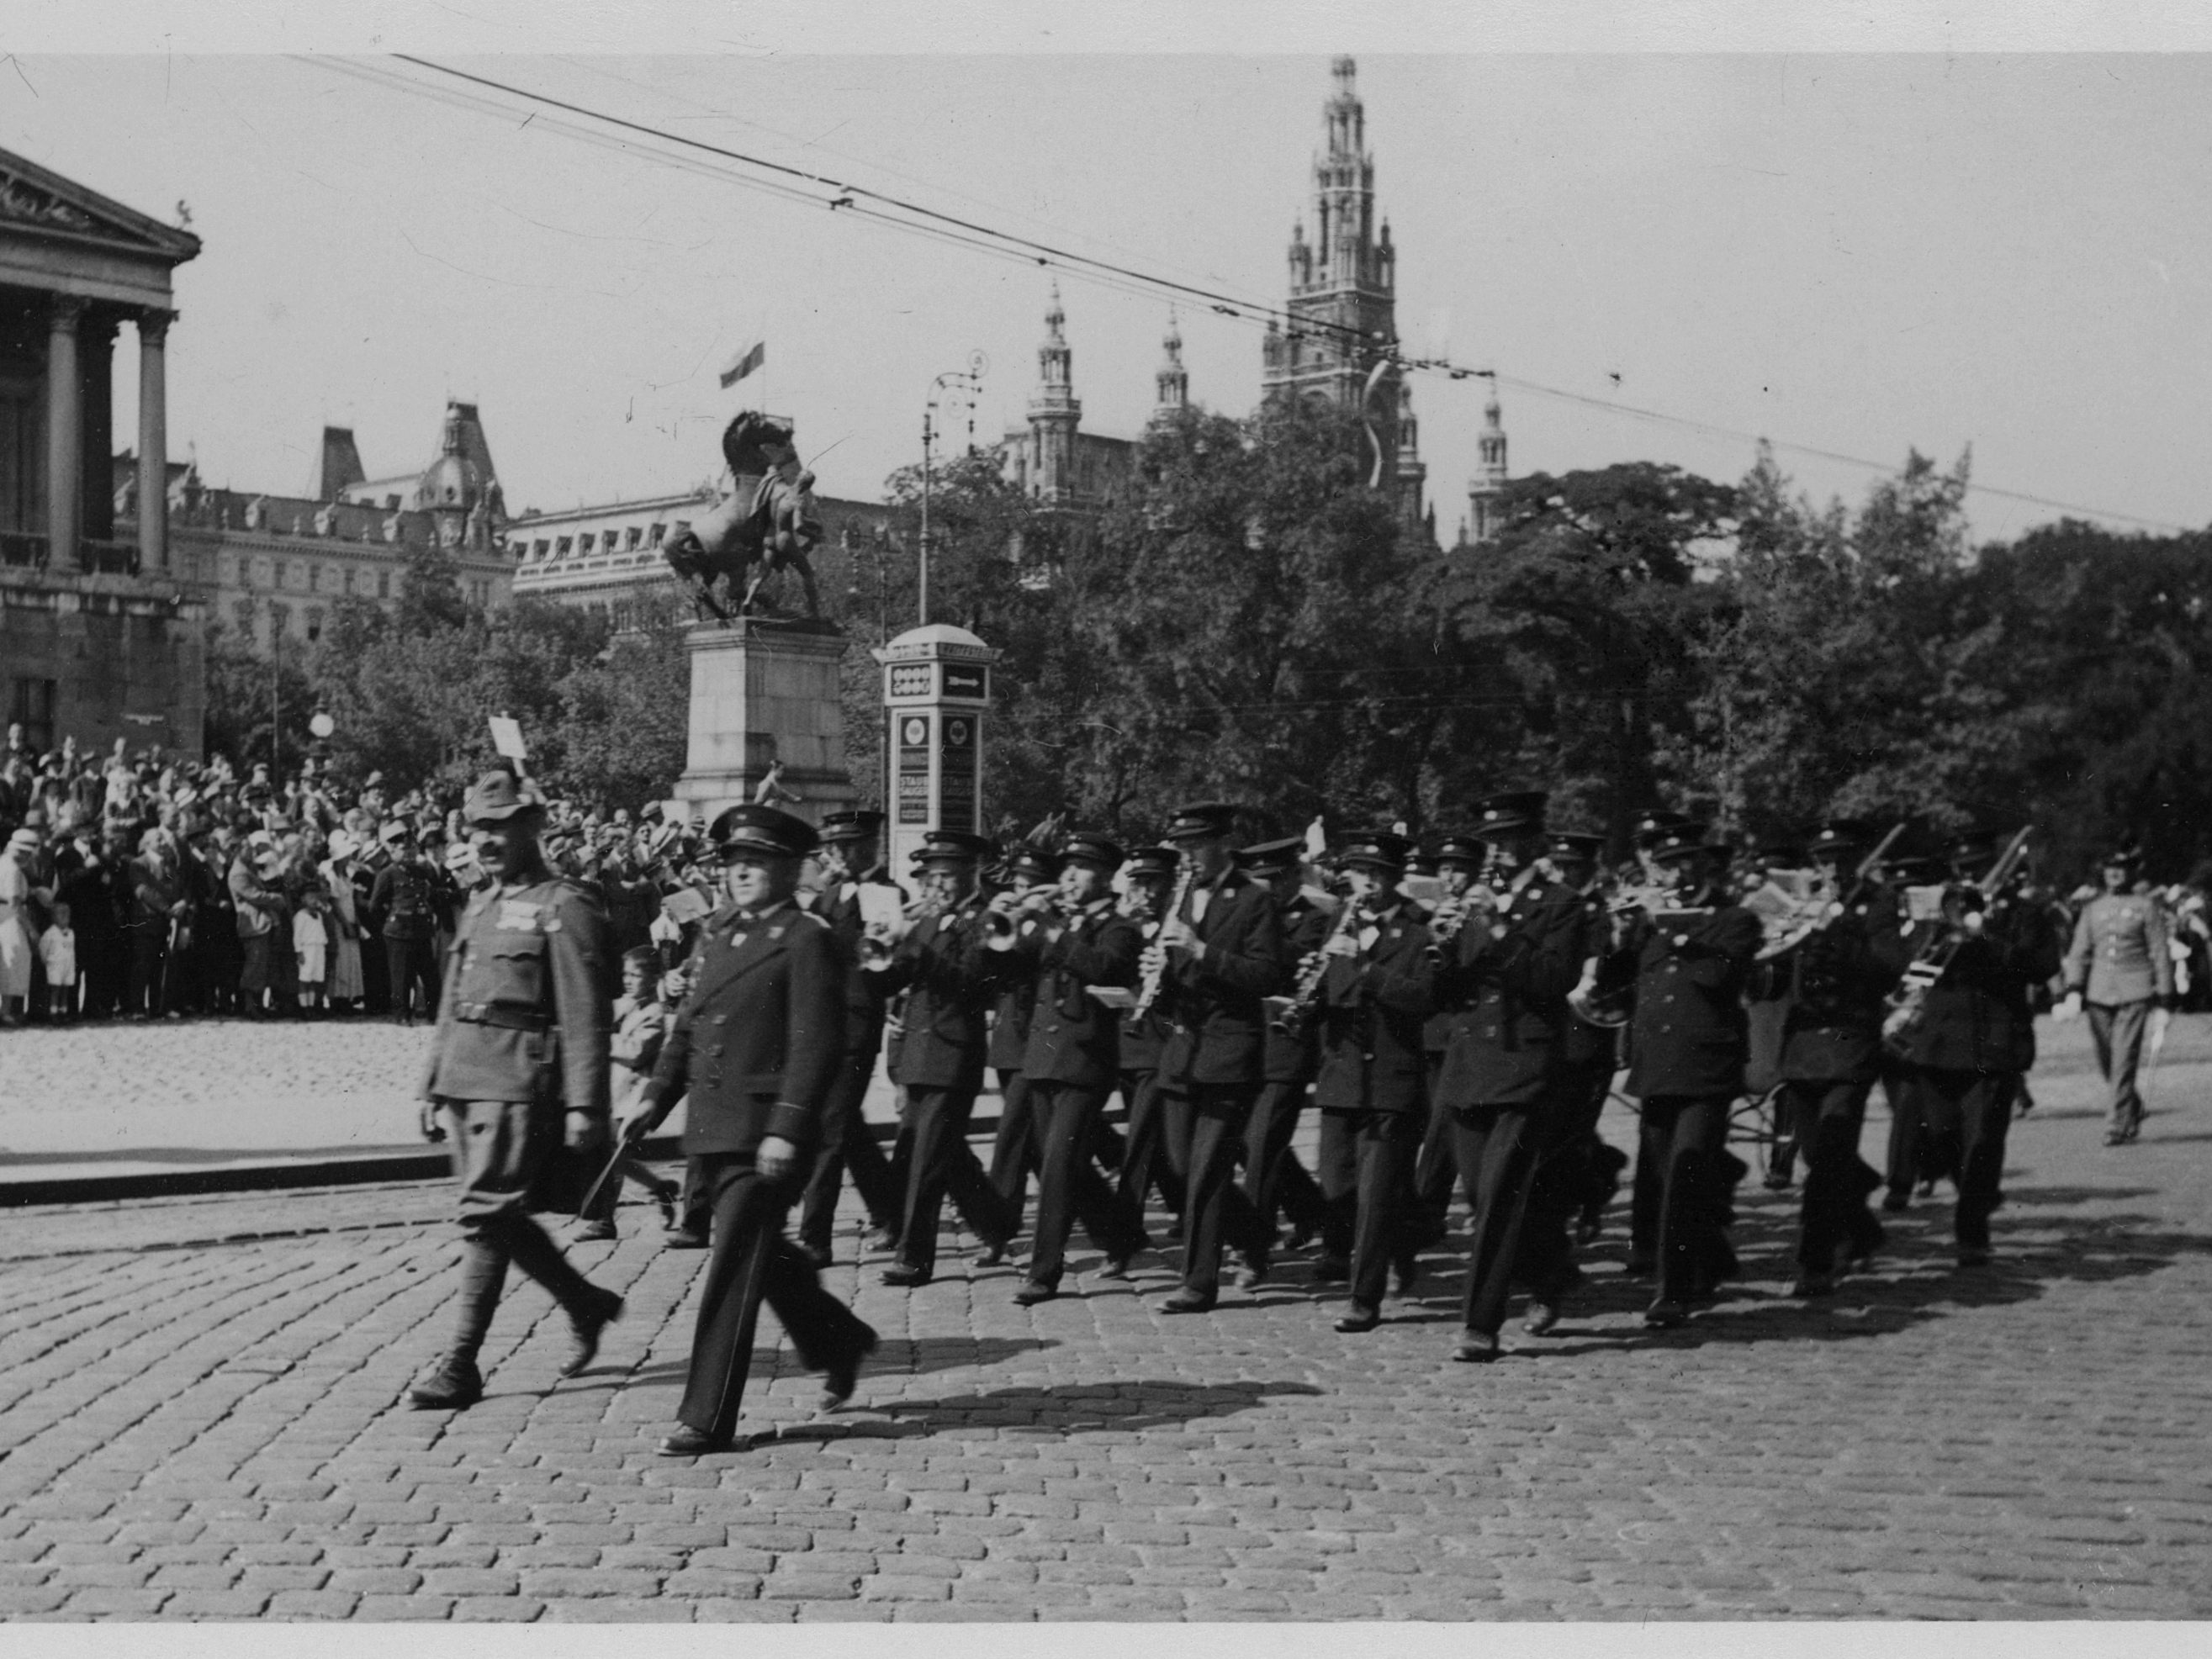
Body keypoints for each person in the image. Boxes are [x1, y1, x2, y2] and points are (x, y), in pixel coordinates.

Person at [619, 804, 878, 1456]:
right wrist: (653, 1096)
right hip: (712, 1124)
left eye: (756, 863)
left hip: (765, 1131)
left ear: (789, 869)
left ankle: (705, 1415)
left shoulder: (806, 936)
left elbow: (816, 1043)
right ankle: (838, 1338)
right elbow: (689, 1028)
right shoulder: (720, 932)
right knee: (765, 1258)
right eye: (734, 863)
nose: (741, 874)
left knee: (734, 1261)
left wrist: (788, 1129)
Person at [408, 770, 625, 1413]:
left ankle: (462, 1363)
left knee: (482, 1212)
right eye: (478, 827)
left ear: (533, 827)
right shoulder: (480, 902)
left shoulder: (566, 903)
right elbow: (452, 997)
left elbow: (586, 1010)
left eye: (501, 826)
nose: (488, 840)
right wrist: (430, 1079)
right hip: (467, 1078)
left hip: (518, 1078)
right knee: (498, 1214)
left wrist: (588, 1101)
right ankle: (587, 1303)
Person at [1426, 808, 1595, 1359]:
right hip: (1471, 1062)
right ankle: (1551, 1272)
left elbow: (1554, 978)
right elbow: (1449, 992)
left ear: (1535, 840)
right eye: (1493, 841)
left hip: (1524, 1061)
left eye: (1512, 839)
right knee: (1480, 1192)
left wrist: (1499, 930)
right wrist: (1444, 946)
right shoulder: (1476, 899)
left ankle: (1480, 1323)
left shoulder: (1562, 902)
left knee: (1498, 1198)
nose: (1500, 851)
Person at [1608, 825, 1763, 1328]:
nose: (1675, 874)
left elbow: (1717, 976)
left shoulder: (1734, 918)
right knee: (1660, 1174)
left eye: (1686, 863)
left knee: (1688, 1171)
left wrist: (1673, 929)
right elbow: (1617, 983)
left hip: (1707, 1066)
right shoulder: (1645, 923)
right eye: (1667, 865)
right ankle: (1710, 1258)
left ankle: (1672, 1289)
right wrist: (1619, 936)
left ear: (1703, 866)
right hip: (1656, 1063)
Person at [984, 831, 1149, 1303]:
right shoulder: (1056, 922)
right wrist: (1010, 917)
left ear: (1104, 876)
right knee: (1062, 1165)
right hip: (1039, 1059)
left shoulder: (1120, 927)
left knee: (1057, 1168)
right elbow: (1008, 970)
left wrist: (1053, 929)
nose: (1071, 877)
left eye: (1081, 869)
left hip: (1084, 1062)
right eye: (1068, 869)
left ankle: (1044, 1273)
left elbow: (1103, 968)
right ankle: (1122, 1236)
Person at [1888, 830, 2063, 1265]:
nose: (1971, 878)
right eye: (1963, 870)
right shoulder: (1936, 912)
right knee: (1938, 1134)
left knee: (1982, 1141)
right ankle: (1977, 1196)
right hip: (1938, 1042)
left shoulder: (2021, 913)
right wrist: (1935, 933)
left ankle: (1972, 1232)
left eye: (1979, 870)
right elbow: (1907, 961)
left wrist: (1988, 937)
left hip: (1993, 1043)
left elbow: (2043, 967)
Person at [1146, 801, 1291, 1315]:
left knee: (1207, 1169)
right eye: (1183, 846)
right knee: (1184, 1166)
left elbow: (1268, 976)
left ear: (1224, 843)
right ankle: (1254, 1234)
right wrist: (1159, 973)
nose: (1188, 856)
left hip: (1230, 1049)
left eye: (1197, 845)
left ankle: (1198, 1283)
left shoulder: (1254, 898)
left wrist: (1202, 951)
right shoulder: (1183, 894)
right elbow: (1179, 968)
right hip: (1185, 1049)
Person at [1755, 820, 1909, 1297]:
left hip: (1851, 1042)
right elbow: (1775, 977)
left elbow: (1889, 969)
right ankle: (1862, 1231)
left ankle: (1815, 1263)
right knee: (1813, 1151)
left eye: (1842, 857)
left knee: (1830, 1152)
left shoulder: (1877, 904)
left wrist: (1842, 935)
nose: (1833, 868)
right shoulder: (1797, 901)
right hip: (1802, 1045)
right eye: (1824, 860)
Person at [862, 829, 1018, 1286]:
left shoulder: (983, 920)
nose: (936, 887)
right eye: (932, 877)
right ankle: (998, 1223)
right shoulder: (929, 922)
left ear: (970, 874)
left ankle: (915, 1257)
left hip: (954, 1055)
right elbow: (897, 978)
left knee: (926, 1161)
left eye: (946, 877)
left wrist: (917, 946)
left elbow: (971, 982)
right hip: (917, 1053)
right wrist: (874, 960)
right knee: (945, 1156)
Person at [1308, 830, 1437, 1333]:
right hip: (1341, 1077)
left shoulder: (1419, 930)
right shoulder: (1338, 925)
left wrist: (1367, 970)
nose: (1369, 885)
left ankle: (1364, 1299)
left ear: (1395, 880)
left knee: (1376, 1194)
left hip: (1391, 1078)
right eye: (1361, 874)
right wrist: (1304, 1008)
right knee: (1339, 1185)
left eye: (1379, 875)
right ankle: (1407, 1239)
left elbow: (1422, 998)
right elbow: (1326, 992)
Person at [793, 810, 906, 1266]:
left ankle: (814, 1236)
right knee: (848, 1130)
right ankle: (890, 1211)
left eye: (846, 847)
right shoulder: (831, 895)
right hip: (824, 1023)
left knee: (831, 1131)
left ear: (869, 847)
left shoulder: (887, 894)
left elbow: (886, 965)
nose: (837, 856)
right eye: (834, 848)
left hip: (858, 1024)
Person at [1233, 837, 1333, 1289]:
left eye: (1274, 880)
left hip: (1286, 1047)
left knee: (1260, 1147)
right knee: (1253, 1143)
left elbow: (1282, 965)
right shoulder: (1250, 914)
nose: (1267, 889)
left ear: (1294, 876)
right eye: (1260, 881)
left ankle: (1253, 1250)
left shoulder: (1315, 919)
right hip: (1244, 1046)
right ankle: (1316, 1211)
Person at [2057, 843, 2173, 1146]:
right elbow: (2080, 952)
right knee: (2108, 1061)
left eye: (2121, 868)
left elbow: (2160, 954)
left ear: (2131, 872)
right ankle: (2132, 1108)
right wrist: (2073, 990)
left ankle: (2116, 1125)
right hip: (2098, 994)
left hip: (2135, 991)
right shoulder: (2092, 909)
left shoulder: (2146, 907)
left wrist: (2163, 1000)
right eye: (2110, 868)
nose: (2114, 873)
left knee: (2123, 1060)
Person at [982, 843, 1061, 1255]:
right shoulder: (1008, 919)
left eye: (1031, 884)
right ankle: (1115, 1224)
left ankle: (998, 1229)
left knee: (1011, 1136)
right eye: (1018, 882)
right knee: (1043, 1145)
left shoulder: (1051, 921)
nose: (1022, 890)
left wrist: (1034, 915)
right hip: (1009, 1038)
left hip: (1038, 1038)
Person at [574, 946, 683, 1243]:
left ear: (653, 979)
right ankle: (661, 1187)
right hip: (609, 1092)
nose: (629, 980)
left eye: (636, 975)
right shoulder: (620, 1005)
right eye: (626, 974)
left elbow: (636, 1051)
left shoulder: (655, 1013)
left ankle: (604, 1220)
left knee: (614, 1158)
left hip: (631, 1097)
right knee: (615, 1156)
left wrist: (601, 1038)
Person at [373, 827, 441, 1025]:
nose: (409, 852)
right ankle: (402, 1015)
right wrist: (391, 923)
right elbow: (375, 906)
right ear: (393, 851)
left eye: (411, 848)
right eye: (404, 848)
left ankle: (434, 1014)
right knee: (401, 977)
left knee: (430, 976)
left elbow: (431, 894)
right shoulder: (388, 874)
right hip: (399, 931)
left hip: (421, 929)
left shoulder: (421, 871)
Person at [39, 898, 77, 1021]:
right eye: (61, 914)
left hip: (67, 966)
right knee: (55, 990)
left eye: (68, 914)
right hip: (55, 965)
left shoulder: (71, 932)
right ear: (54, 917)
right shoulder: (50, 933)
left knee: (65, 990)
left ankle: (63, 1012)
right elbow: (43, 947)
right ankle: (53, 1013)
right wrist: (46, 960)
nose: (65, 916)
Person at [294, 886, 330, 1015]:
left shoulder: (319, 915)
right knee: (305, 979)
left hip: (319, 949)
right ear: (303, 899)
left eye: (316, 898)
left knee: (314, 979)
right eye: (310, 898)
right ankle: (304, 1008)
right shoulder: (301, 915)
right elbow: (297, 936)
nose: (314, 901)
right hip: (307, 950)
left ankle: (311, 1006)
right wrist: (299, 952)